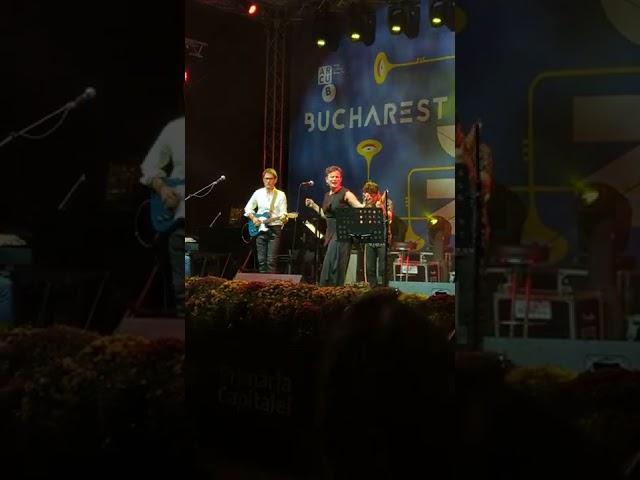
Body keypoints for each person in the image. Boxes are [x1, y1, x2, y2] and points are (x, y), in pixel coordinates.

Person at [140, 116, 185, 318]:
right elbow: (149, 166)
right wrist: (163, 189)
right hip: (180, 219)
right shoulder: (175, 128)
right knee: (182, 286)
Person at [305, 166, 363, 286]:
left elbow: (359, 207)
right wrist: (313, 205)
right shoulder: (327, 195)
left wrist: (368, 205)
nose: (334, 179)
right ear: (326, 179)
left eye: (337, 177)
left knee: (336, 265)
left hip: (342, 233)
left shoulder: (346, 193)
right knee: (330, 264)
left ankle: (334, 290)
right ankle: (328, 290)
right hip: (330, 233)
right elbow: (326, 216)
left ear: (341, 179)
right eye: (332, 177)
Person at [244, 168, 288, 273]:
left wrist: (284, 218)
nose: (268, 181)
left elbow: (284, 213)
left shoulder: (281, 195)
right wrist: (254, 218)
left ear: (275, 180)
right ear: (263, 179)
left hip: (275, 228)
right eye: (266, 178)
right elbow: (247, 208)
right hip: (260, 229)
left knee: (271, 261)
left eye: (270, 179)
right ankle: (261, 282)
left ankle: (270, 282)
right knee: (261, 261)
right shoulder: (258, 193)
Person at [362, 181, 393, 287]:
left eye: (371, 195)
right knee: (370, 268)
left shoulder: (387, 202)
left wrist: (381, 207)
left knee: (383, 268)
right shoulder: (367, 203)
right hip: (370, 239)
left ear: (377, 194)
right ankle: (373, 289)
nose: (369, 197)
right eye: (367, 195)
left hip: (383, 238)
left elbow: (389, 218)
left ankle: (384, 288)